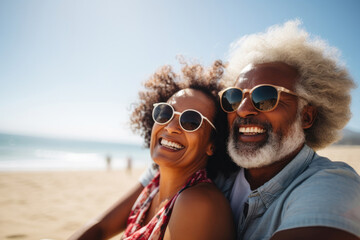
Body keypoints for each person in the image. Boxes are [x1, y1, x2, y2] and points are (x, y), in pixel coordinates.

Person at [138, 20, 360, 239]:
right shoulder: (214, 166)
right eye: (234, 97)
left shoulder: (331, 185)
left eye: (265, 97)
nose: (243, 110)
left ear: (306, 116)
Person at [68, 61, 238, 240]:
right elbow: (100, 227)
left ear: (212, 144)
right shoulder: (154, 185)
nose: (170, 127)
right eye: (166, 113)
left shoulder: (198, 202)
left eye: (191, 121)